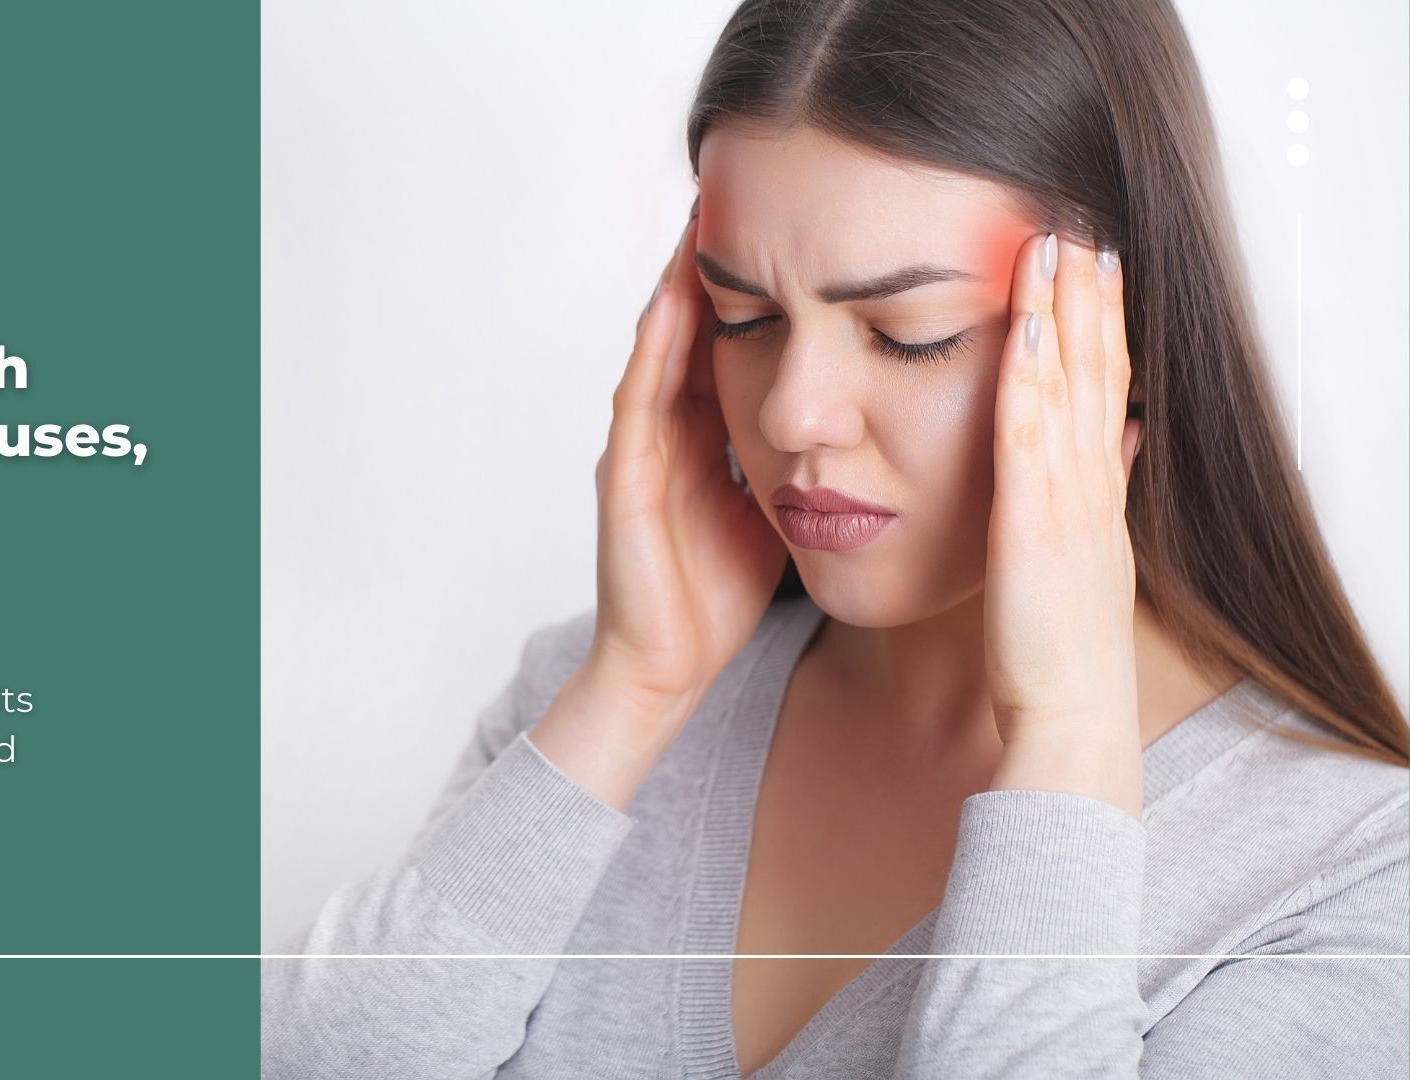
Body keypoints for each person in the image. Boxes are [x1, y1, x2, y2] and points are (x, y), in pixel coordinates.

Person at [261, 0, 1410, 1075]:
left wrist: (1064, 743)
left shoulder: (1346, 878)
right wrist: (634, 688)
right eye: (742, 319)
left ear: (1132, 336)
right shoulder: (580, 707)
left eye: (909, 334)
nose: (791, 414)